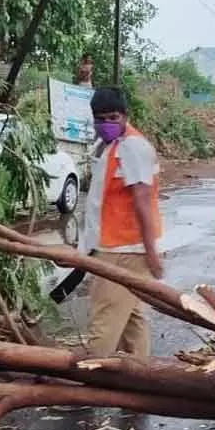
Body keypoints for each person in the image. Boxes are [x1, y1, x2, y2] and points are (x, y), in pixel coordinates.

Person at [79, 86, 163, 357]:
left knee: (104, 319)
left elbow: (142, 201)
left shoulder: (134, 147)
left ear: (126, 115)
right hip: (117, 245)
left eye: (113, 117)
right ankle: (140, 376)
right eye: (100, 118)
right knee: (132, 318)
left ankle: (91, 378)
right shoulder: (110, 146)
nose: (107, 124)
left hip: (123, 250)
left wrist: (151, 252)